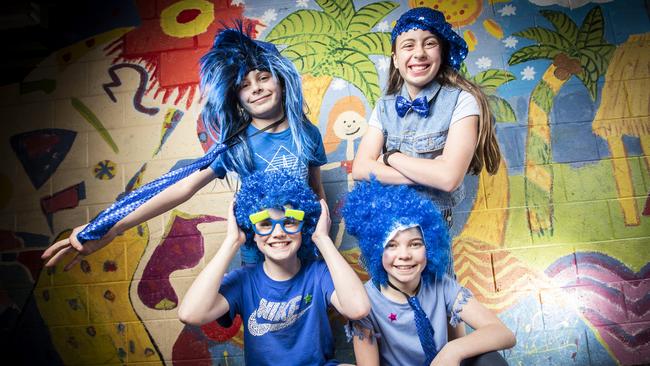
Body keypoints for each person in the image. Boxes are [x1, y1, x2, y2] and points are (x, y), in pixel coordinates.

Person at [41, 25, 326, 269]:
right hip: (258, 253)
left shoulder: (307, 133)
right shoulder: (235, 145)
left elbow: (317, 193)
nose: (257, 88)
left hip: (303, 246)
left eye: (264, 77)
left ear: (282, 81)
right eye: (245, 84)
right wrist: (109, 229)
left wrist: (323, 243)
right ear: (235, 97)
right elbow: (180, 188)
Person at [178, 171, 370, 365]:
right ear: (251, 231)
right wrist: (231, 241)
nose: (278, 232)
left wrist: (322, 239)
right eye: (265, 224)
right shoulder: (244, 281)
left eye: (289, 222)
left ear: (304, 227)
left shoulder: (318, 273)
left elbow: (358, 309)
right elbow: (190, 314)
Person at [351, 7, 501, 228]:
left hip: (433, 223)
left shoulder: (463, 101)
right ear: (395, 59)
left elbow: (449, 179)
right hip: (387, 221)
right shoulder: (384, 106)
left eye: (429, 43)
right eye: (408, 45)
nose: (419, 53)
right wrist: (430, 174)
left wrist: (390, 158)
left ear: (442, 52)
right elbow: (360, 168)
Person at [342, 180, 515, 366]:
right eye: (391, 245)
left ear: (429, 247)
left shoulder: (440, 284)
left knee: (490, 360)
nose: (404, 255)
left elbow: (504, 334)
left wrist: (453, 350)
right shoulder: (365, 301)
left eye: (415, 244)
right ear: (376, 250)